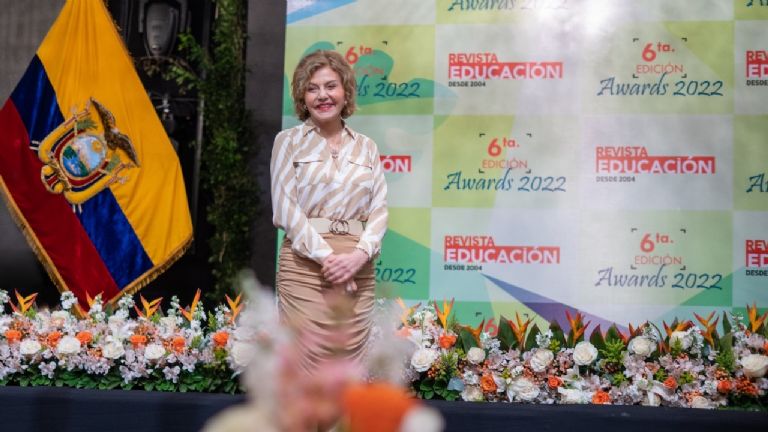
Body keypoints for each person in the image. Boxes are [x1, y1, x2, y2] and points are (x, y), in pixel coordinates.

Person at [270, 49, 388, 371]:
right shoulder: (288, 141)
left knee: (348, 372)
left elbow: (379, 210)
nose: (322, 95)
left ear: (345, 91)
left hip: (357, 268)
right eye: (312, 88)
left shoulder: (367, 147)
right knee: (307, 373)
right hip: (305, 267)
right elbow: (285, 210)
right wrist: (330, 260)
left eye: (330, 86)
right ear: (302, 97)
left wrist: (358, 258)